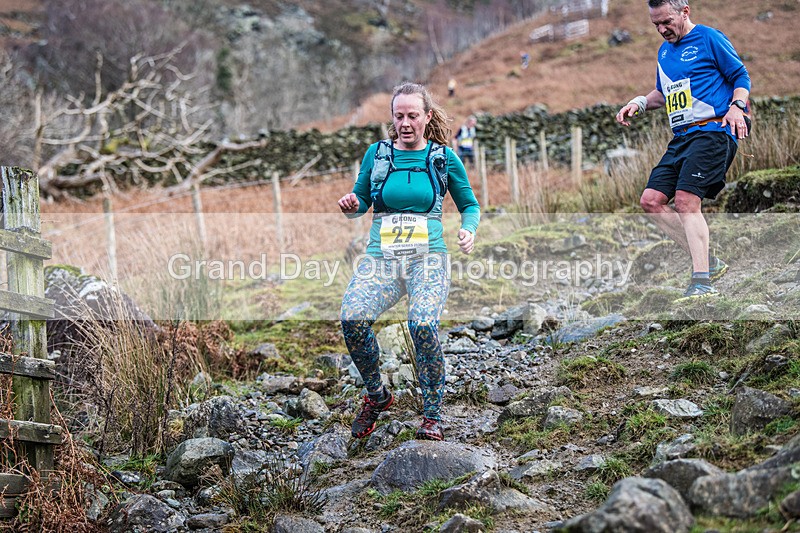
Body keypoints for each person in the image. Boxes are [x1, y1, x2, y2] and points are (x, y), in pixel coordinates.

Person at [337, 82, 480, 441]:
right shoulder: (378, 154)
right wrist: (352, 206)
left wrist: (469, 229)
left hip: (427, 260)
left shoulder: (443, 158)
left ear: (426, 116)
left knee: (422, 325)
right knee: (352, 318)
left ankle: (432, 415)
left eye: (412, 115)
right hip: (381, 260)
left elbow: (469, 205)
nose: (405, 122)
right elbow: (362, 201)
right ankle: (377, 396)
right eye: (398, 116)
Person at [615, 0, 750, 300]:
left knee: (688, 202)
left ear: (685, 12)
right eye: (655, 25)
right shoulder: (664, 52)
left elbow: (740, 77)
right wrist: (637, 103)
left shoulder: (709, 38)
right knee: (651, 201)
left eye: (666, 22)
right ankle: (709, 263)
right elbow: (662, 94)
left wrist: (737, 107)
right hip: (681, 139)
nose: (662, 30)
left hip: (713, 132)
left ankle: (701, 282)